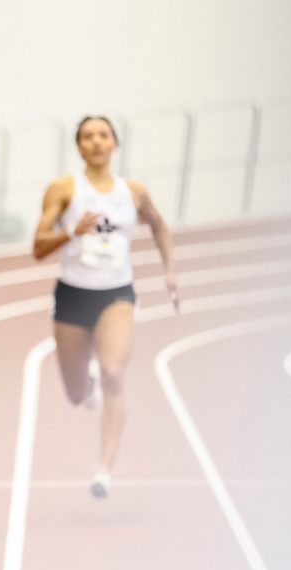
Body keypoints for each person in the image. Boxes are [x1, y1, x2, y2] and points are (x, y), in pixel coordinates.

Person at [32, 116, 179, 498]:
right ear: (79, 146)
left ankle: (104, 470)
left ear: (115, 144)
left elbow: (159, 226)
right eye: (87, 137)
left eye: (103, 135)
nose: (96, 142)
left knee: (114, 371)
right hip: (73, 294)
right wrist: (72, 232)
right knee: (76, 393)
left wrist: (170, 272)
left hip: (116, 292)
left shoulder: (134, 192)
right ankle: (89, 386)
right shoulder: (64, 189)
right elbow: (38, 247)